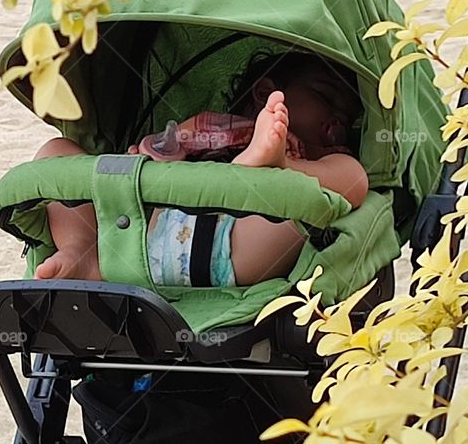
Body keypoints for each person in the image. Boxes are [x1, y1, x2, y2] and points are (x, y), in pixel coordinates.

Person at [31, 50, 369, 287]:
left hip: (236, 244)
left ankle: (269, 167)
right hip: (138, 236)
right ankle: (82, 249)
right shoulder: (212, 129)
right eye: (326, 97)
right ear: (266, 93)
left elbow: (348, 185)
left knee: (350, 177)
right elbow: (155, 152)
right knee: (56, 152)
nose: (337, 118)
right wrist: (160, 153)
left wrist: (289, 166)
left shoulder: (321, 156)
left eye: (346, 118)